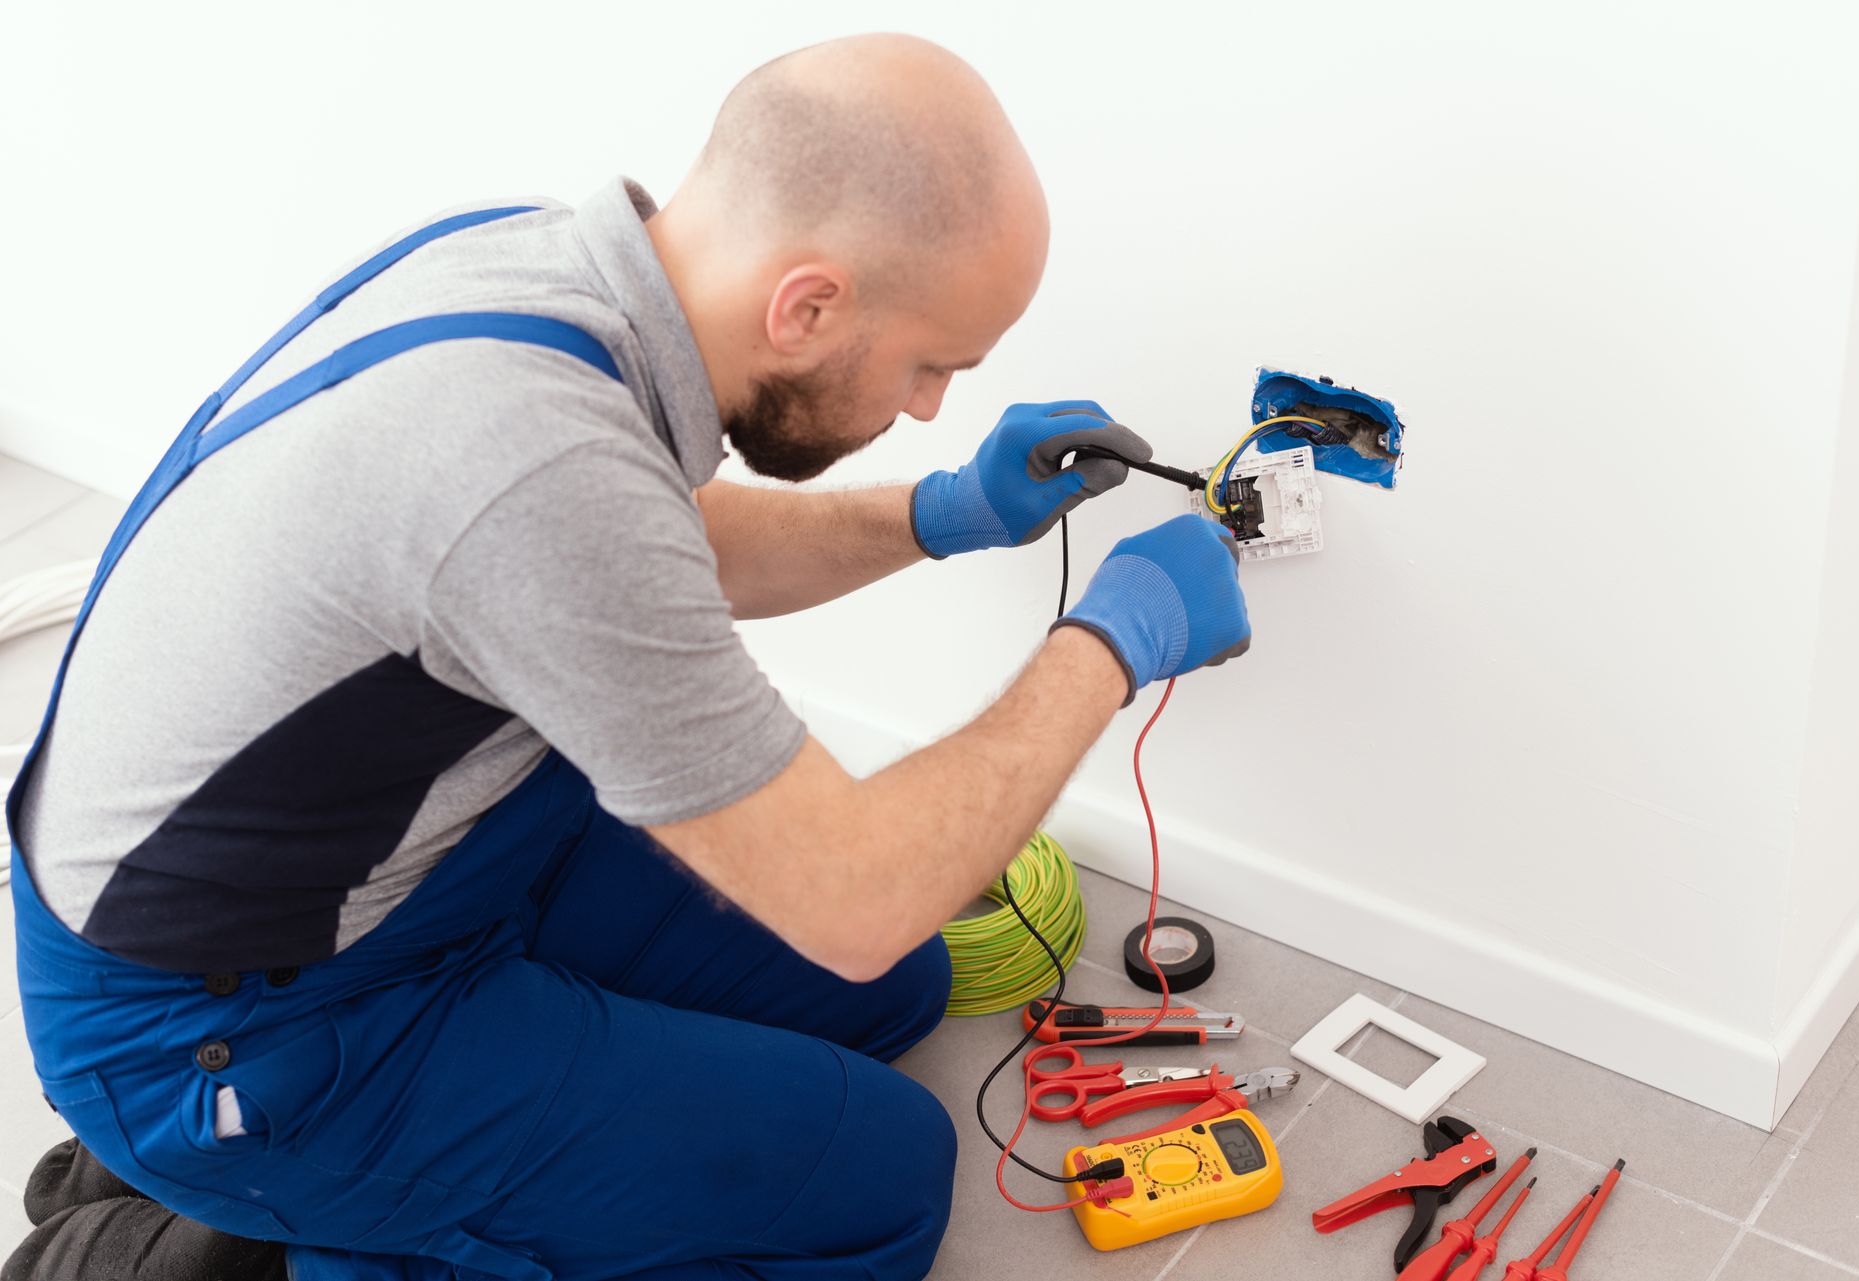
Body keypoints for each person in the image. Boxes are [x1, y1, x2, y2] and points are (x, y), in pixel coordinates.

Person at [4, 33, 1249, 1281]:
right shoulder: (534, 465)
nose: (929, 405)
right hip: (234, 1026)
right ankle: (232, 1238)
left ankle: (339, 1171)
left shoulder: (551, 268)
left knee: (895, 996)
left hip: (415, 864)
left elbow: (656, 543)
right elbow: (859, 899)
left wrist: (942, 513)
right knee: (880, 1186)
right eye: (933, 366)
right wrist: (1111, 642)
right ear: (807, 305)